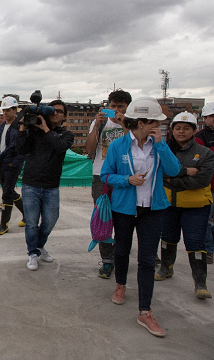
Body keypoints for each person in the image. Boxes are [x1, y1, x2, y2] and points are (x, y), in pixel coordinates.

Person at [100, 96, 181, 337]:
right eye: (155, 121)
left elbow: (175, 171)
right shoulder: (118, 146)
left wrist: (161, 146)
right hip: (124, 208)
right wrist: (127, 180)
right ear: (142, 122)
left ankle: (145, 311)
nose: (159, 126)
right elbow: (106, 175)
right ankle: (121, 285)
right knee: (122, 250)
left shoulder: (159, 145)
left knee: (146, 259)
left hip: (153, 209)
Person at [156, 112, 214, 299]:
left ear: (194, 130)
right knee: (168, 237)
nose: (181, 131)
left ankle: (200, 282)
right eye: (178, 128)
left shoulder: (205, 153)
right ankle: (166, 268)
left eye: (186, 128)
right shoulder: (164, 150)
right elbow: (159, 174)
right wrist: (183, 174)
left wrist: (172, 178)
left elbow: (202, 180)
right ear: (172, 130)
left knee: (195, 242)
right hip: (169, 204)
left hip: (196, 206)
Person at [16, 99, 74, 269]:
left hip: (51, 186)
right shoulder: (34, 131)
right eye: (53, 110)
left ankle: (39, 246)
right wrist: (22, 128)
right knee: (32, 223)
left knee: (50, 220)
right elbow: (20, 150)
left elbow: (60, 146)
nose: (56, 113)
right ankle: (33, 253)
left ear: (64, 117)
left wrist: (46, 129)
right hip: (31, 184)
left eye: (60, 112)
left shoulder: (66, 135)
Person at [86, 89, 132, 279]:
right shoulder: (100, 123)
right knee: (103, 219)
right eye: (113, 106)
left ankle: (121, 258)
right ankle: (107, 261)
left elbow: (137, 145)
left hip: (125, 177)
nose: (116, 110)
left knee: (125, 220)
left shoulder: (131, 124)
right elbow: (89, 152)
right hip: (101, 176)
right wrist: (97, 125)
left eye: (121, 107)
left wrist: (124, 124)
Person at [0, 96, 26, 235]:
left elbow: (23, 148)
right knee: (10, 191)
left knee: (6, 194)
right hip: (2, 164)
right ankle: (27, 215)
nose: (5, 113)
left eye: (8, 110)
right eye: (3, 111)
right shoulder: (1, 127)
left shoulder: (19, 127)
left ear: (14, 110)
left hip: (11, 165)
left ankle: (3, 224)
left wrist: (15, 163)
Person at [194, 102, 214, 265]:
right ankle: (208, 250)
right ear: (205, 118)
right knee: (206, 220)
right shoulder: (200, 137)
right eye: (212, 117)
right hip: (209, 185)